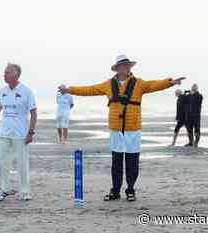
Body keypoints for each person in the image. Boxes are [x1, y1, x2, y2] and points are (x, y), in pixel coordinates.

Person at [58, 55, 185, 202]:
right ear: (117, 68)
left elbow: (154, 85)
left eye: (128, 65)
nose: (126, 67)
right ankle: (115, 190)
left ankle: (130, 189)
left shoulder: (138, 83)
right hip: (116, 128)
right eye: (123, 65)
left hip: (133, 127)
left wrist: (170, 82)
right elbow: (89, 90)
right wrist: (69, 90)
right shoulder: (108, 84)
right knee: (116, 160)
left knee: (132, 159)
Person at [0, 63, 37, 202]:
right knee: (0, 160)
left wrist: (31, 132)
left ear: (16, 75)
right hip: (4, 132)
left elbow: (33, 113)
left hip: (20, 133)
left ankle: (25, 191)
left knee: (22, 162)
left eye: (7, 72)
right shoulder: (3, 91)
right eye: (4, 72)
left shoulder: (26, 91)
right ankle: (4, 189)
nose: (4, 75)